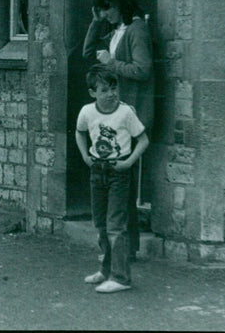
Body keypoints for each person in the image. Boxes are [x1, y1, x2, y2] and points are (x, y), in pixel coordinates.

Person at [82, 0, 154, 260]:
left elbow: (143, 69)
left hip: (129, 114)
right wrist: (94, 23)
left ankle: (124, 248)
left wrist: (112, 63)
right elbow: (88, 54)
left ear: (121, 5)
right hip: (112, 115)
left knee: (121, 186)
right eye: (101, 9)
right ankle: (125, 247)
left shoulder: (136, 31)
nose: (105, 14)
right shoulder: (116, 30)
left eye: (108, 8)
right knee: (117, 186)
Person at [76, 64, 149, 293]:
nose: (111, 94)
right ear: (93, 92)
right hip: (97, 171)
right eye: (105, 90)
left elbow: (143, 140)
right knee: (100, 223)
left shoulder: (126, 112)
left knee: (116, 226)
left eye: (114, 88)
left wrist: (128, 163)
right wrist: (85, 155)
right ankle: (106, 270)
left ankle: (121, 277)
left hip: (119, 173)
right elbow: (79, 132)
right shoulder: (87, 112)